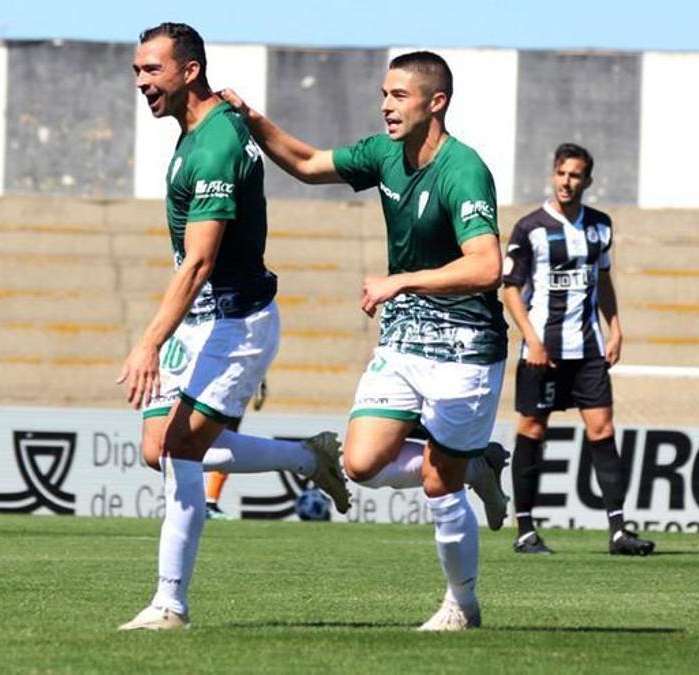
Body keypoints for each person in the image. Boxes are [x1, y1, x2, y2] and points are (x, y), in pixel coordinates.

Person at [220, 50, 509, 631]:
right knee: (361, 462)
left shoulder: (464, 170)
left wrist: (400, 280)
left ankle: (462, 605)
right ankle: (475, 465)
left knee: (436, 484)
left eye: (399, 96)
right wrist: (253, 119)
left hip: (466, 344)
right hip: (406, 337)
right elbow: (304, 162)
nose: (385, 105)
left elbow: (486, 265)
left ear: (437, 102)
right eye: (384, 94)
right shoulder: (383, 154)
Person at [117, 23, 351, 631]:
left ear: (189, 70)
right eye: (138, 70)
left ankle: (170, 603)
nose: (141, 82)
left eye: (152, 70)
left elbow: (199, 261)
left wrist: (148, 341)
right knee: (156, 448)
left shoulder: (217, 142)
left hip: (234, 320)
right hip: (199, 318)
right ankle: (307, 456)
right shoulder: (201, 130)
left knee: (179, 449)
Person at [501, 143, 654, 557]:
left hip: (587, 348)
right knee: (533, 430)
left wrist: (616, 327)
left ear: (587, 180)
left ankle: (619, 531)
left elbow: (602, 280)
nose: (567, 182)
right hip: (543, 350)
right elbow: (511, 289)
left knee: (602, 430)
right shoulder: (530, 227)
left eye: (575, 176)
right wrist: (531, 338)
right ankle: (526, 531)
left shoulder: (600, 227)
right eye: (561, 174)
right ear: (553, 175)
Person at [204, 379, 268, 521]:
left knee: (225, 442)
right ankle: (207, 503)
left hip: (228, 385)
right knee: (222, 441)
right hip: (225, 384)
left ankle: (209, 502)